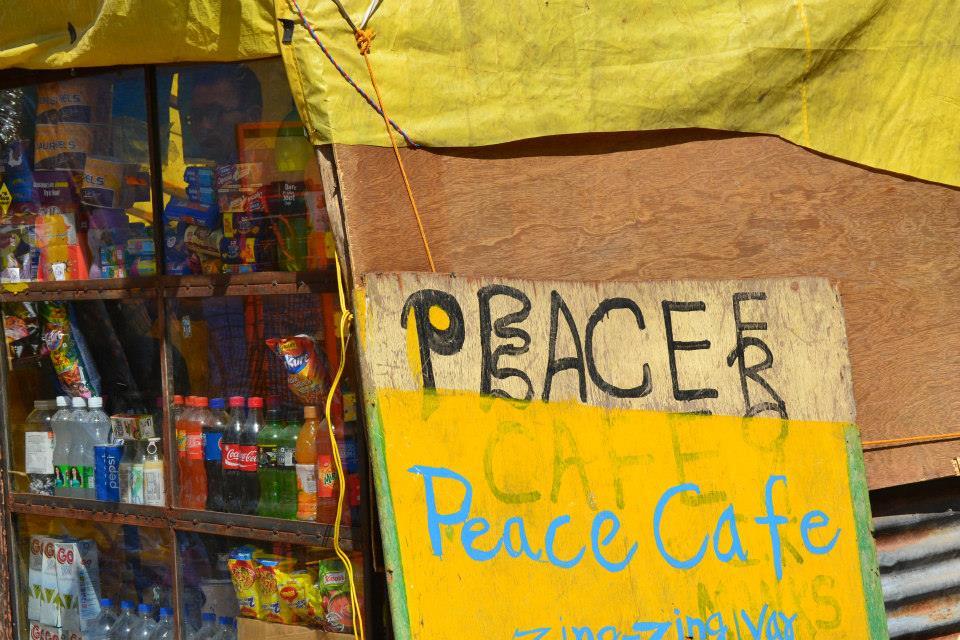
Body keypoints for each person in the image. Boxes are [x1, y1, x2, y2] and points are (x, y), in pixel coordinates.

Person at [183, 65, 262, 164]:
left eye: (214, 112)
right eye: (196, 115)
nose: (205, 126)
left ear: (253, 118)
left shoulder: (272, 169)